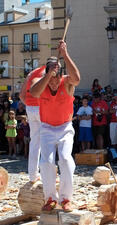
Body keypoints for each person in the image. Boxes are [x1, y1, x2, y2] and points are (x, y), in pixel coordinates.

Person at [30, 40, 80, 212]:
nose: (53, 83)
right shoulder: (40, 81)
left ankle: (66, 199)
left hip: (65, 127)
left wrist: (65, 55)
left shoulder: (66, 81)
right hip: (46, 128)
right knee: (46, 162)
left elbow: (77, 79)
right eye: (50, 79)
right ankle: (50, 197)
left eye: (55, 79)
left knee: (65, 159)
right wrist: (48, 75)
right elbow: (34, 92)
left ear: (60, 75)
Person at [19, 65, 46, 183]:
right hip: (41, 108)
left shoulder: (30, 75)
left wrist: (29, 105)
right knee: (46, 141)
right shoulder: (45, 74)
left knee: (35, 142)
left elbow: (21, 95)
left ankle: (33, 175)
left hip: (30, 108)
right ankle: (46, 174)